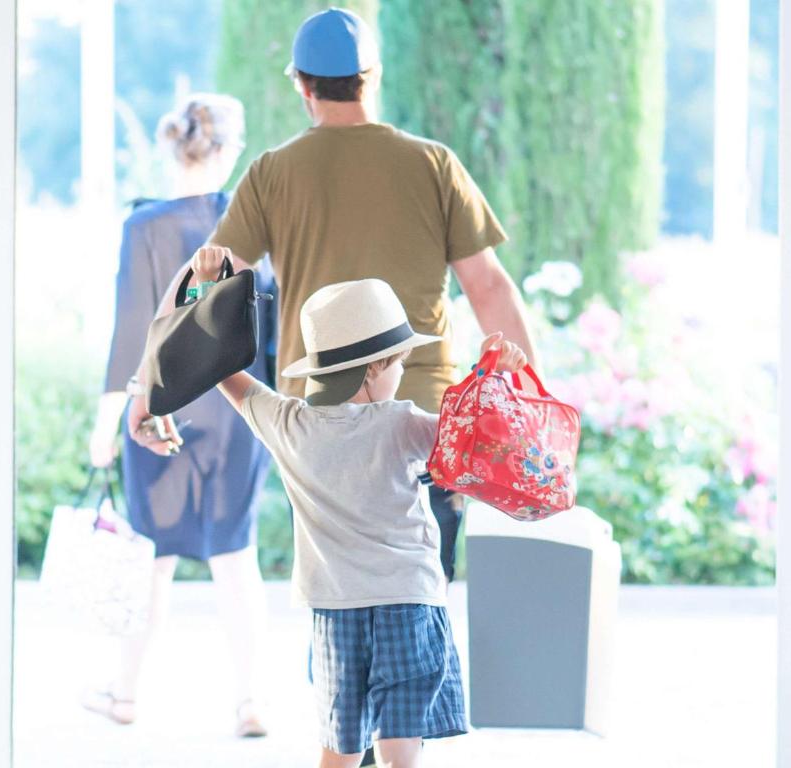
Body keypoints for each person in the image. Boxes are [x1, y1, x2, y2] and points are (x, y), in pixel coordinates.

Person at [127, 7, 537, 585]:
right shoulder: (433, 164)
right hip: (425, 417)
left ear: (303, 86)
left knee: (335, 597)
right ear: (374, 76)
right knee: (425, 594)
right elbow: (489, 287)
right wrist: (528, 402)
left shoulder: (273, 173)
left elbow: (204, 279)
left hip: (321, 431)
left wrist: (149, 387)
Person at [187, 256, 529, 768]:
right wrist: (491, 376)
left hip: (336, 610)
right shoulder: (403, 423)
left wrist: (203, 290)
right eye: (398, 362)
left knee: (340, 751)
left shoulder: (287, 425)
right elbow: (478, 443)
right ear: (372, 369)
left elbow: (221, 370)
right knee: (400, 756)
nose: (402, 373)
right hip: (409, 602)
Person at [85, 94, 276, 737]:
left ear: (174, 147)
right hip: (241, 413)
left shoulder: (144, 227)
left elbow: (131, 332)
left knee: (152, 558)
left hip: (160, 412)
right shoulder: (255, 228)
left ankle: (126, 693)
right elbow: (272, 329)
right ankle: (250, 702)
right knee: (237, 557)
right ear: (230, 150)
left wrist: (106, 424)